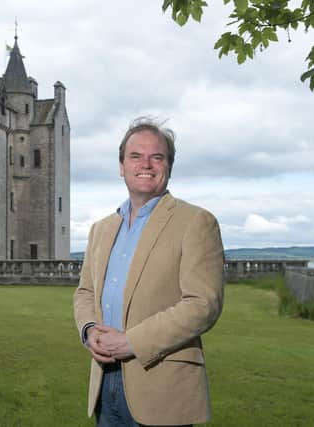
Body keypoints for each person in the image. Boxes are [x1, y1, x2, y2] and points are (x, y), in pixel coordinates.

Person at [73, 117, 224, 426]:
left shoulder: (196, 222)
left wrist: (132, 342)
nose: (147, 164)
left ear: (169, 166)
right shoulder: (101, 229)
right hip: (105, 383)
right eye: (136, 156)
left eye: (157, 157)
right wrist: (89, 331)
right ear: (121, 166)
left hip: (162, 387)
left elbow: (202, 305)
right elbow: (85, 292)